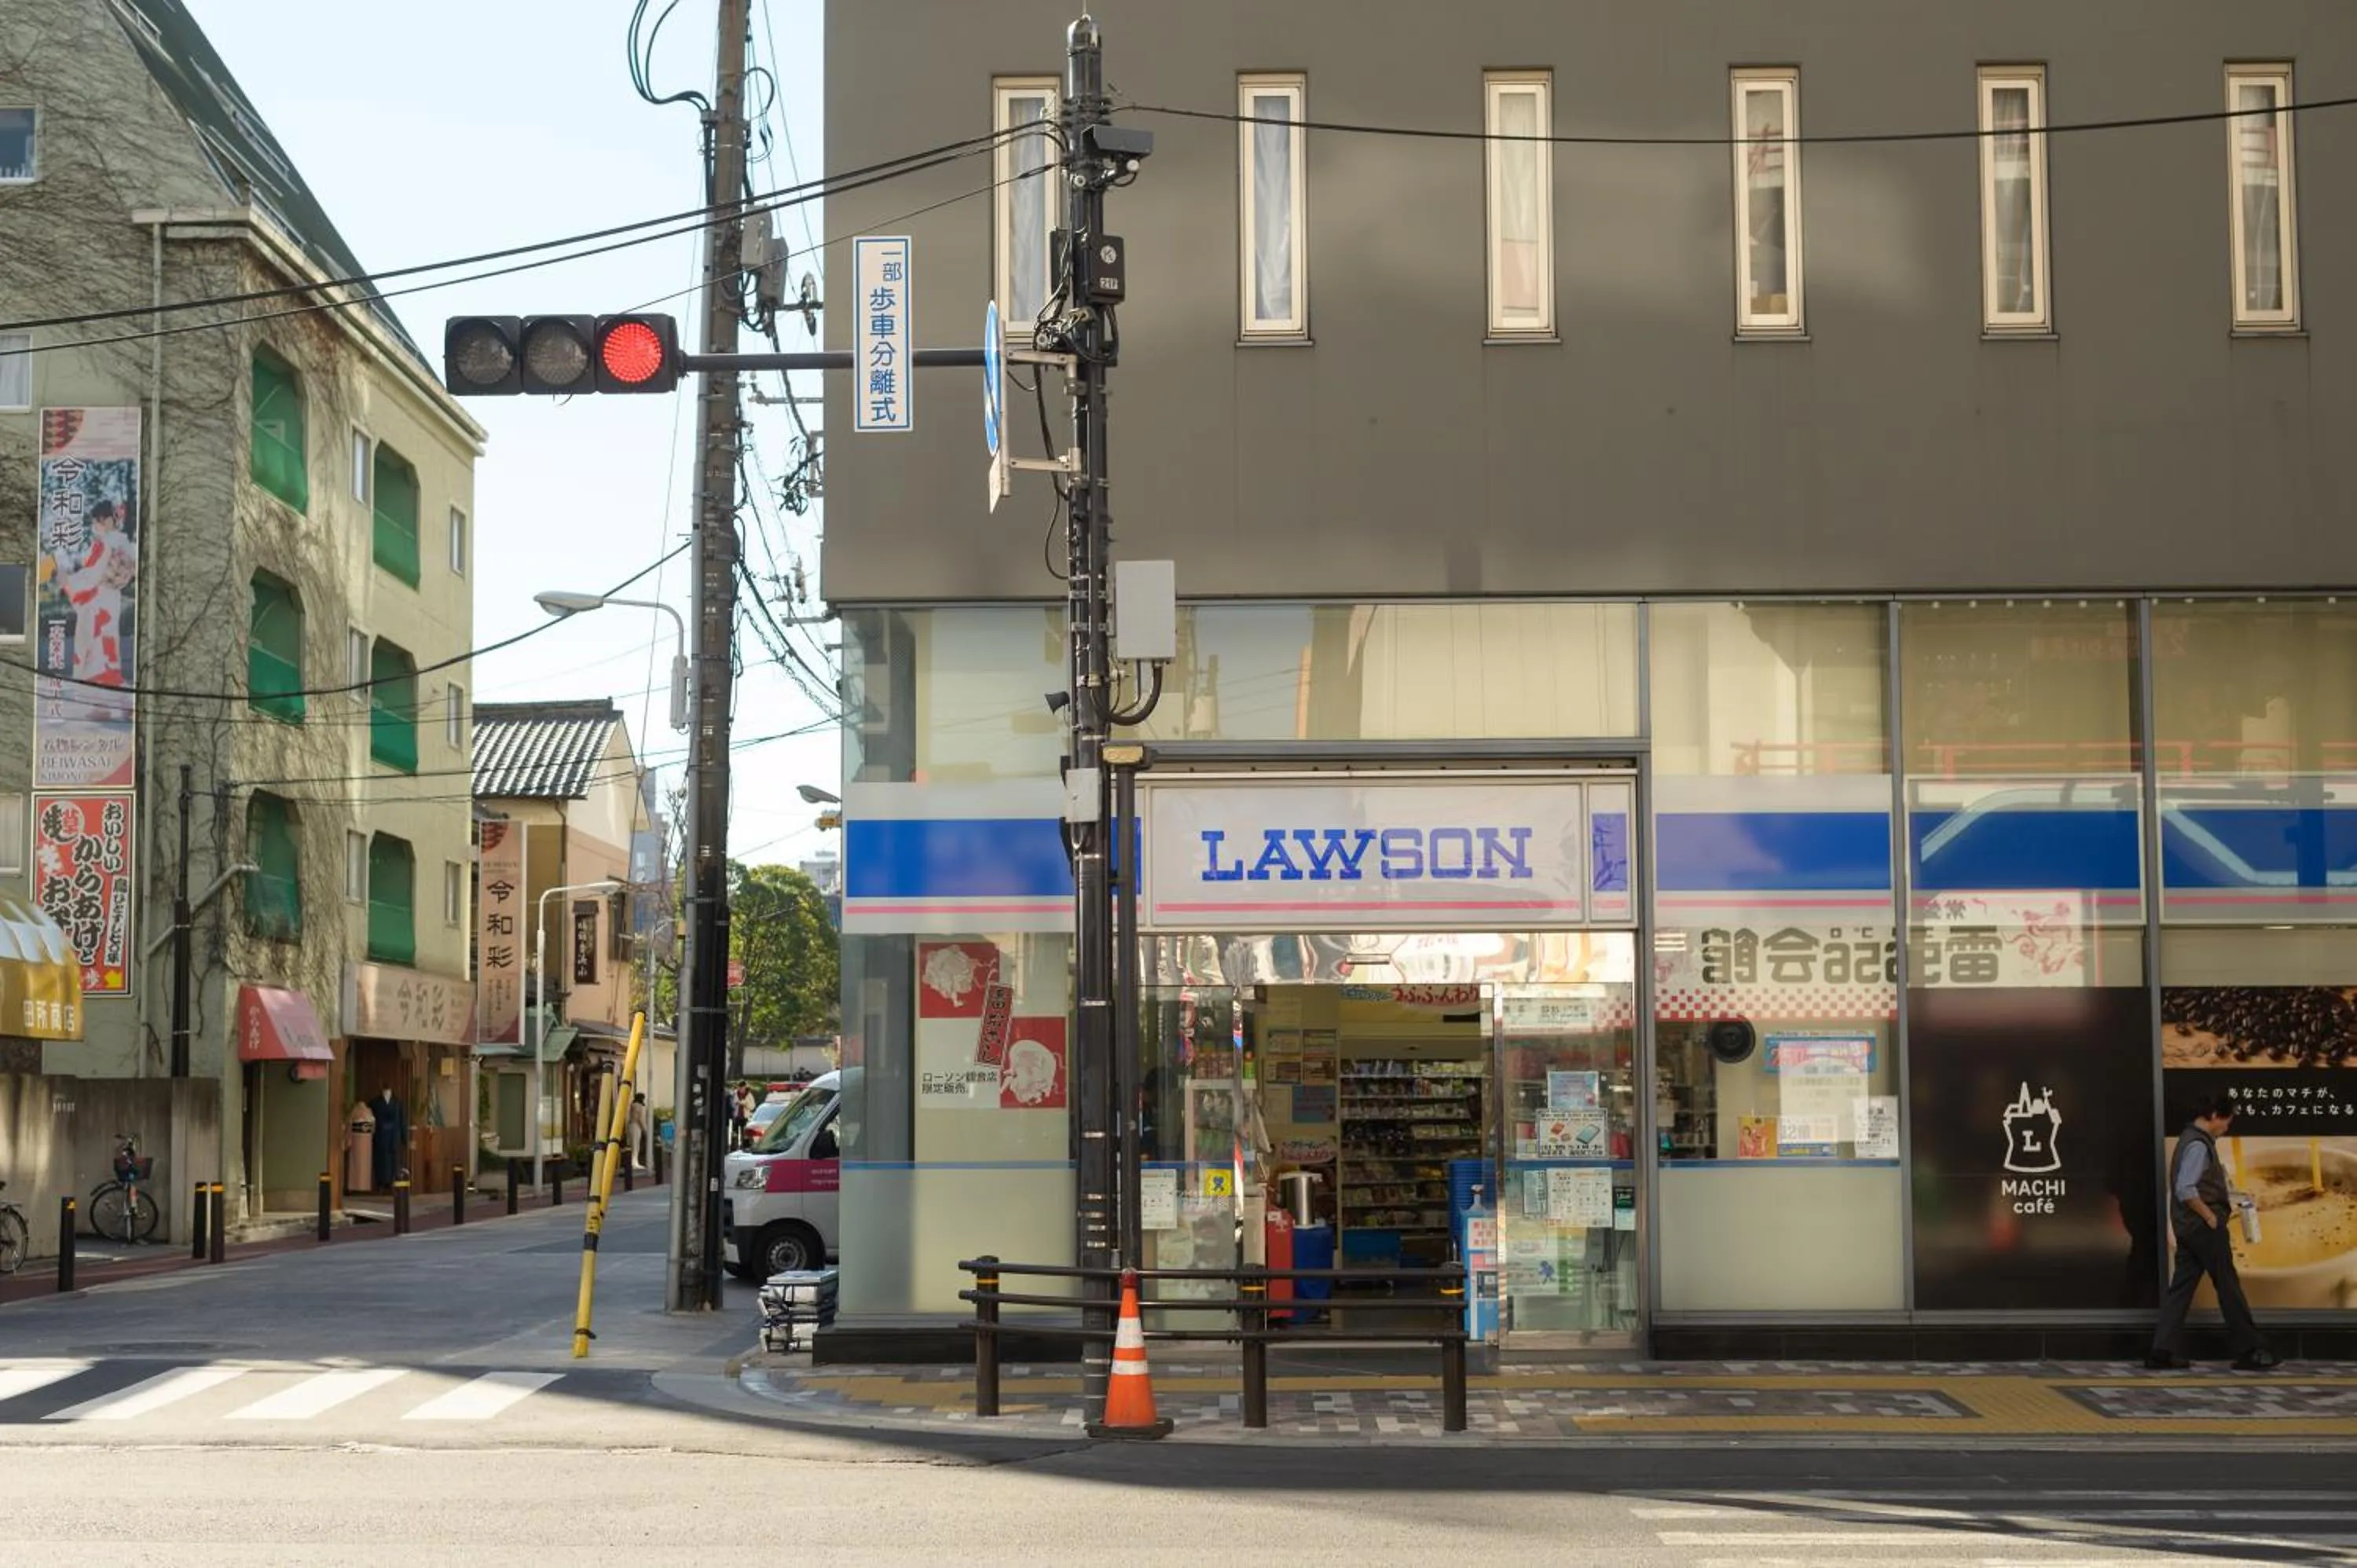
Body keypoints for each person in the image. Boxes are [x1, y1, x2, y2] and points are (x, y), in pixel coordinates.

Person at [2147, 1094, 2279, 1372]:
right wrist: (2210, 1217)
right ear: (2214, 1115)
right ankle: (2252, 1350)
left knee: (2180, 1290)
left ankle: (2161, 1352)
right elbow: (2186, 1189)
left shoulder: (2189, 1139)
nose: (2227, 1127)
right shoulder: (2198, 1145)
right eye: (2227, 1120)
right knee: (2228, 1285)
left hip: (2187, 1229)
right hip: (2202, 1229)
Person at [626, 1092, 651, 1171]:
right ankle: (635, 1163)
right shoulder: (641, 1107)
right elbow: (641, 1120)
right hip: (636, 1127)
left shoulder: (632, 1105)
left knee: (632, 1145)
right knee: (636, 1145)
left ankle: (633, 1162)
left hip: (630, 1125)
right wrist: (645, 1130)